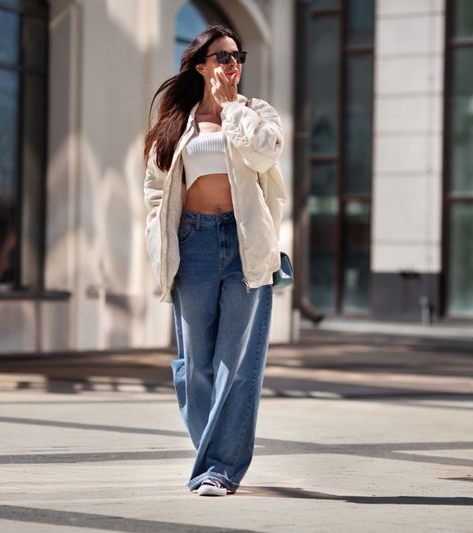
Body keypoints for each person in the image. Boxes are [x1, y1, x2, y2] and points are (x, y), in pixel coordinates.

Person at [143, 25, 287, 497]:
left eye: (237, 56)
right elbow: (155, 191)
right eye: (222, 57)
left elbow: (264, 154)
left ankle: (220, 469)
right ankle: (212, 457)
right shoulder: (177, 122)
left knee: (237, 365)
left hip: (244, 244)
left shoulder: (256, 114)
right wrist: (157, 243)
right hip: (194, 244)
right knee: (195, 366)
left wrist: (230, 109)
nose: (232, 64)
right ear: (200, 64)